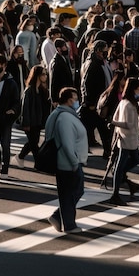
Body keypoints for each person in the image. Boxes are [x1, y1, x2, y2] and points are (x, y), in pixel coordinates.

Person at [46, 87, 88, 234]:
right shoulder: (65, 117)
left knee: (71, 192)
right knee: (72, 192)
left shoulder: (63, 114)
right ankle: (69, 224)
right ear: (69, 100)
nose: (77, 101)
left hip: (67, 161)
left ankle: (59, 217)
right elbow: (67, 142)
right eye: (75, 99)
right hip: (68, 163)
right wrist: (74, 162)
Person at [108, 78, 139, 206]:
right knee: (126, 162)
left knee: (132, 160)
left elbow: (115, 117)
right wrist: (114, 123)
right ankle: (115, 192)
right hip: (128, 138)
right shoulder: (129, 104)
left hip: (126, 137)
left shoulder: (123, 102)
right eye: (138, 89)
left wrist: (114, 123)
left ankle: (121, 178)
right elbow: (128, 124)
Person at [15, 65, 51, 168]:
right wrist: (26, 123)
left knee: (33, 142)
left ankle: (20, 156)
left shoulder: (41, 90)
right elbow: (25, 108)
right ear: (38, 76)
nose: (45, 76)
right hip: (30, 121)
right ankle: (39, 163)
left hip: (38, 121)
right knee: (34, 144)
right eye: (43, 74)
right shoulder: (29, 91)